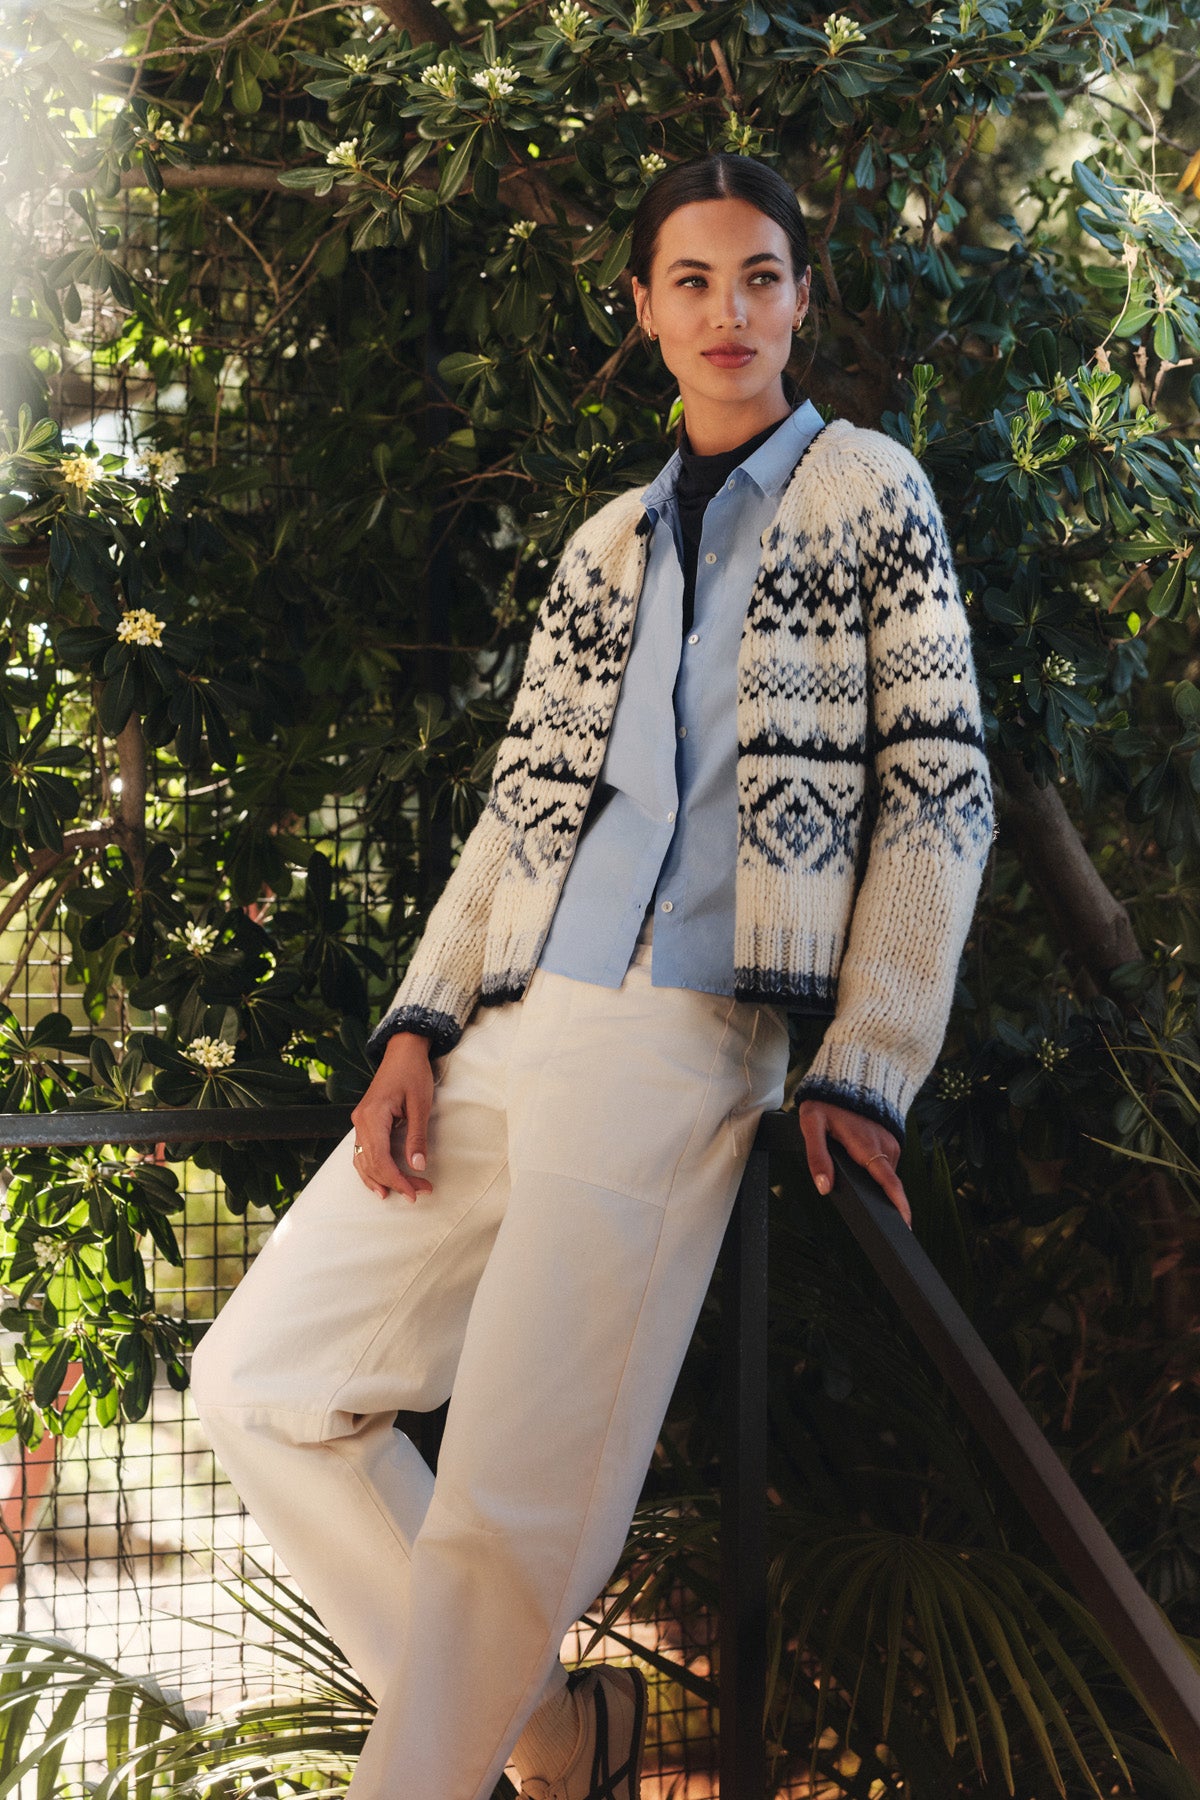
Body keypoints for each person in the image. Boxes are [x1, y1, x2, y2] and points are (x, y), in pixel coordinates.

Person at [189, 152, 995, 1800]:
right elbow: (520, 815)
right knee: (258, 1384)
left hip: (684, 1041)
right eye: (691, 282)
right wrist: (420, 1020)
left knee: (508, 1504)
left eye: (759, 276)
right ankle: (555, 1738)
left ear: (799, 301)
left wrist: (868, 1057)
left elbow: (938, 784)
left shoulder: (871, 493)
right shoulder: (604, 543)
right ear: (642, 311)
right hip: (513, 1022)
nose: (728, 311)